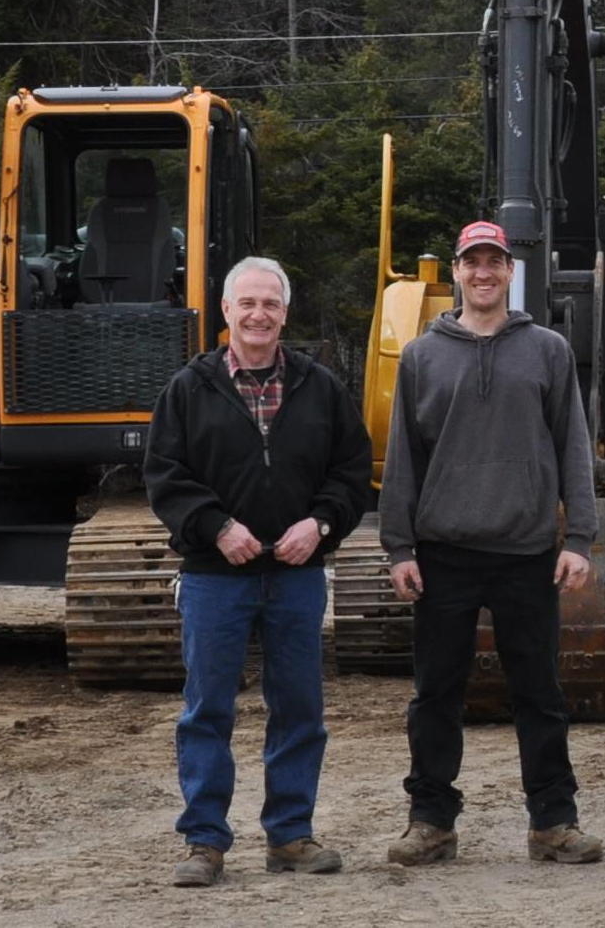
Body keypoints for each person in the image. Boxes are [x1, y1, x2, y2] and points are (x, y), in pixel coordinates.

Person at [379, 219, 603, 868]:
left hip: (526, 551)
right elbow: (402, 458)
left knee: (539, 692)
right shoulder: (423, 354)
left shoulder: (547, 350)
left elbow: (572, 446)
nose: (483, 272)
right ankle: (430, 820)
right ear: (456, 270)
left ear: (510, 271)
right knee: (436, 695)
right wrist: (399, 547)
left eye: (493, 262)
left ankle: (553, 821)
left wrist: (578, 536)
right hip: (443, 552)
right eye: (471, 261)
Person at [144, 256, 371, 888]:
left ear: (285, 312)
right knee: (207, 709)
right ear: (225, 312)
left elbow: (352, 471)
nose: (258, 314)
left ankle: (291, 835)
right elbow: (164, 476)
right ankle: (204, 841)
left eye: (270, 304)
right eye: (247, 303)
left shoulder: (320, 388)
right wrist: (217, 526)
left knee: (299, 707)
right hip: (215, 578)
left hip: (296, 576)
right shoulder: (188, 389)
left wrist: (320, 525)